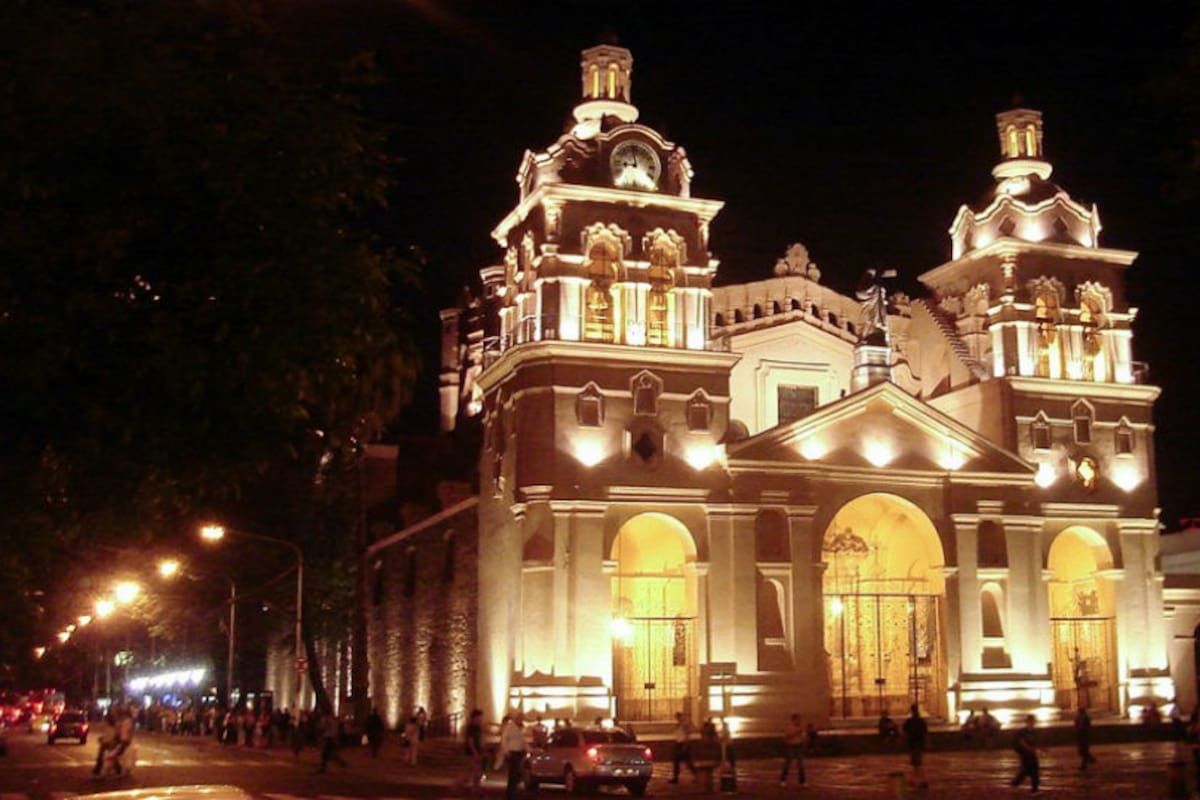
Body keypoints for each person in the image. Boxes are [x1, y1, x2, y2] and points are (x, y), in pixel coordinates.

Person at [500, 713, 526, 800]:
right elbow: (504, 739)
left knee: (516, 774)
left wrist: (529, 749)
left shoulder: (520, 728)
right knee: (513, 774)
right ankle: (510, 794)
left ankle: (513, 792)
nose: (521, 720)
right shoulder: (510, 727)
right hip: (512, 752)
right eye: (520, 718)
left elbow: (522, 741)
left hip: (519, 752)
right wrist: (506, 751)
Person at [1011, 714, 1040, 792]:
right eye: (1032, 721)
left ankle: (1034, 789)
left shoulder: (1033, 732)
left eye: (1034, 721)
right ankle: (1015, 783)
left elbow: (1035, 742)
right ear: (1028, 722)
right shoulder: (1023, 732)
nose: (1033, 723)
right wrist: (1029, 749)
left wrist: (1038, 749)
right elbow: (1021, 742)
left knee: (1034, 771)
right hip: (1025, 754)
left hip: (1032, 754)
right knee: (1026, 771)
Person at [902, 703, 928, 789]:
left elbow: (905, 731)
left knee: (916, 763)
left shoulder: (910, 721)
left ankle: (919, 780)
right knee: (916, 763)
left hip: (913, 743)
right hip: (918, 743)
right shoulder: (920, 721)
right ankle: (917, 780)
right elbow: (925, 732)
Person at [668, 712, 695, 783]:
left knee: (685, 762)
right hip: (679, 744)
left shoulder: (684, 725)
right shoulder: (678, 725)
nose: (677, 719)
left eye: (678, 717)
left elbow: (687, 735)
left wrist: (685, 746)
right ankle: (676, 777)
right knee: (682, 762)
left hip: (682, 744)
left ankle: (676, 778)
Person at [780, 713, 805, 787]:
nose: (799, 721)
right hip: (790, 745)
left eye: (799, 719)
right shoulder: (789, 727)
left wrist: (804, 738)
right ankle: (783, 780)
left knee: (800, 764)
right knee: (787, 763)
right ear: (793, 720)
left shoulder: (801, 727)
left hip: (799, 745)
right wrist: (796, 732)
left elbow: (803, 737)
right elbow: (786, 737)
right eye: (797, 719)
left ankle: (802, 781)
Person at [463, 709, 485, 792]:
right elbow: (470, 741)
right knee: (474, 772)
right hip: (472, 753)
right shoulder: (471, 728)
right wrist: (474, 752)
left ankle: (476, 788)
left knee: (476, 772)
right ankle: (458, 786)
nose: (481, 720)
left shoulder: (478, 727)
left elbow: (480, 740)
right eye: (479, 718)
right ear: (475, 718)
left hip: (478, 751)